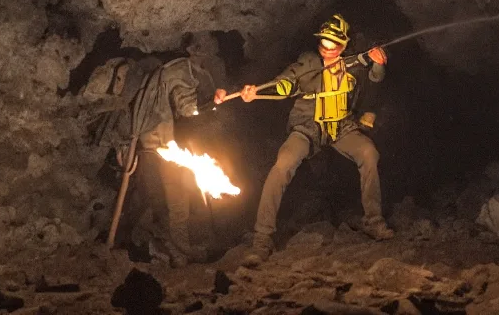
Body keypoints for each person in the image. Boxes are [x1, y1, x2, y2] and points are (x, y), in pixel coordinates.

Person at [214, 14, 393, 266]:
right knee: (283, 163)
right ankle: (262, 239)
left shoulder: (353, 64)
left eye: (335, 47)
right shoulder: (308, 62)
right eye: (324, 46)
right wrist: (255, 92)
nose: (328, 51)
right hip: (307, 127)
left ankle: (373, 220)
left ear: (344, 45)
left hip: (341, 127)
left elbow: (376, 78)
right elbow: (285, 83)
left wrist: (378, 63)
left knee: (368, 153)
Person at [81, 41, 217, 267]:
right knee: (169, 197)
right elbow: (186, 108)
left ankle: (165, 245)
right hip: (158, 144)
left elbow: (182, 107)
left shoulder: (159, 72)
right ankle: (175, 247)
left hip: (153, 142)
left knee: (161, 194)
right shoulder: (174, 71)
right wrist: (209, 103)